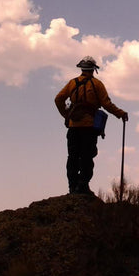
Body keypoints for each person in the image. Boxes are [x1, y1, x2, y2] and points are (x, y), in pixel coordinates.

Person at [55, 56, 128, 195]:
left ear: (82, 68)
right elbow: (106, 104)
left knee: (73, 157)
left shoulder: (72, 83)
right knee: (87, 157)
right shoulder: (97, 84)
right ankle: (82, 186)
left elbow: (58, 99)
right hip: (89, 127)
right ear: (94, 69)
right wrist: (121, 114)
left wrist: (65, 114)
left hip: (73, 127)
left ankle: (72, 187)